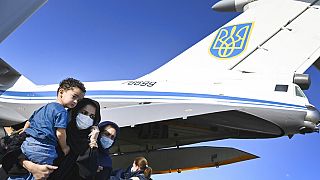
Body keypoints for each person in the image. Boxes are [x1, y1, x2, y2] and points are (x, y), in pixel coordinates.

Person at [7, 78, 86, 180]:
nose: (75, 102)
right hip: (44, 149)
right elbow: (60, 133)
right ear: (61, 92)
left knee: (20, 174)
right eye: (74, 97)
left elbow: (28, 123)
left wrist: (23, 132)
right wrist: (65, 147)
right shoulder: (62, 112)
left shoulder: (43, 108)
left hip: (28, 144)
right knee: (41, 174)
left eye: (78, 100)